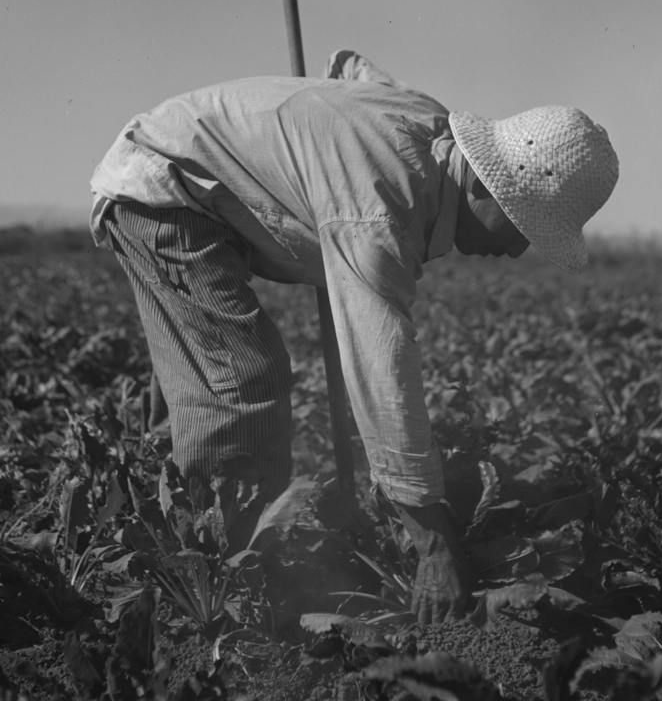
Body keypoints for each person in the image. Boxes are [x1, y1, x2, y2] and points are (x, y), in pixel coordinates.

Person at [89, 49, 619, 626]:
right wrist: (433, 542)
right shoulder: (381, 211)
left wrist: (320, 135)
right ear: (487, 188)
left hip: (190, 181)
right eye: (523, 227)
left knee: (204, 368)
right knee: (241, 379)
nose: (518, 249)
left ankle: (177, 522)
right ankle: (223, 578)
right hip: (166, 189)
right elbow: (378, 367)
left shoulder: (428, 125)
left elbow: (353, 70)